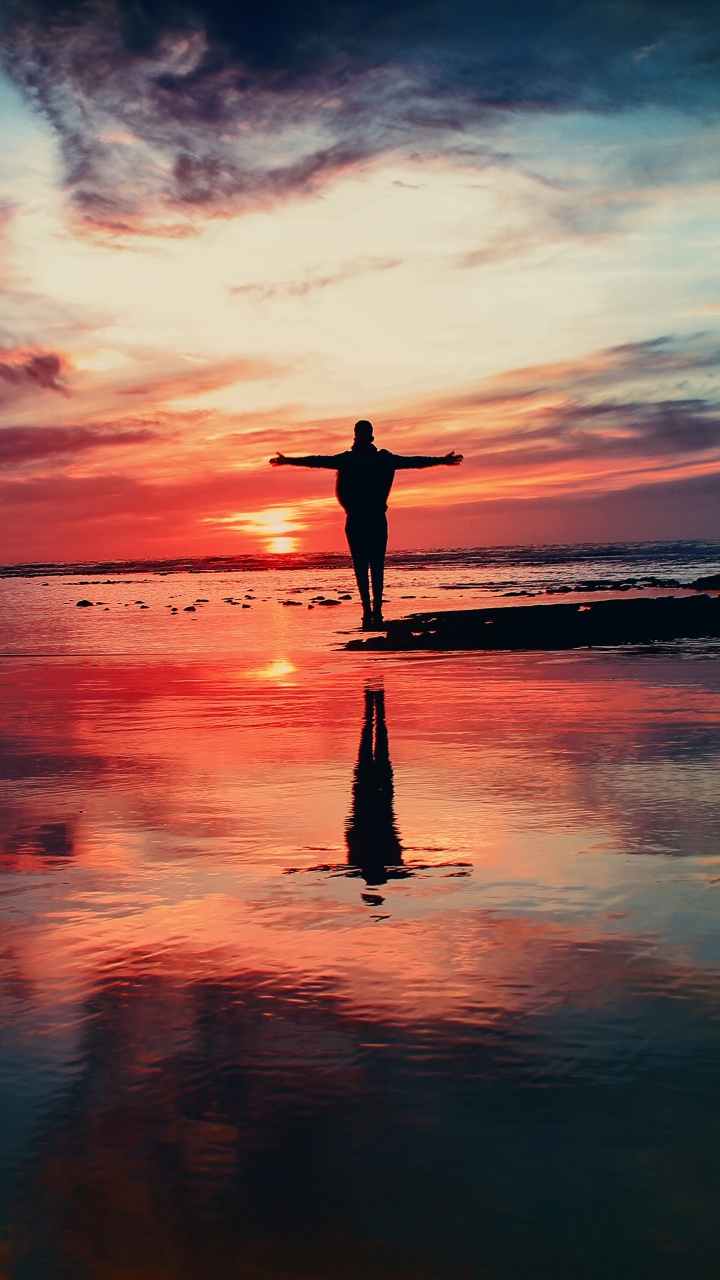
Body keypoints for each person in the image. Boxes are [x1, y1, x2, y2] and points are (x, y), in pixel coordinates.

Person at [270, 420, 463, 628]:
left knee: (363, 566)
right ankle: (374, 610)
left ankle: (369, 610)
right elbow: (413, 462)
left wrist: (288, 460)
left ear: (356, 436)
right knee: (374, 565)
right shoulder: (380, 459)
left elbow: (317, 461)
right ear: (371, 437)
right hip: (373, 519)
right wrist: (442, 461)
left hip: (359, 519)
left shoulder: (353, 459)